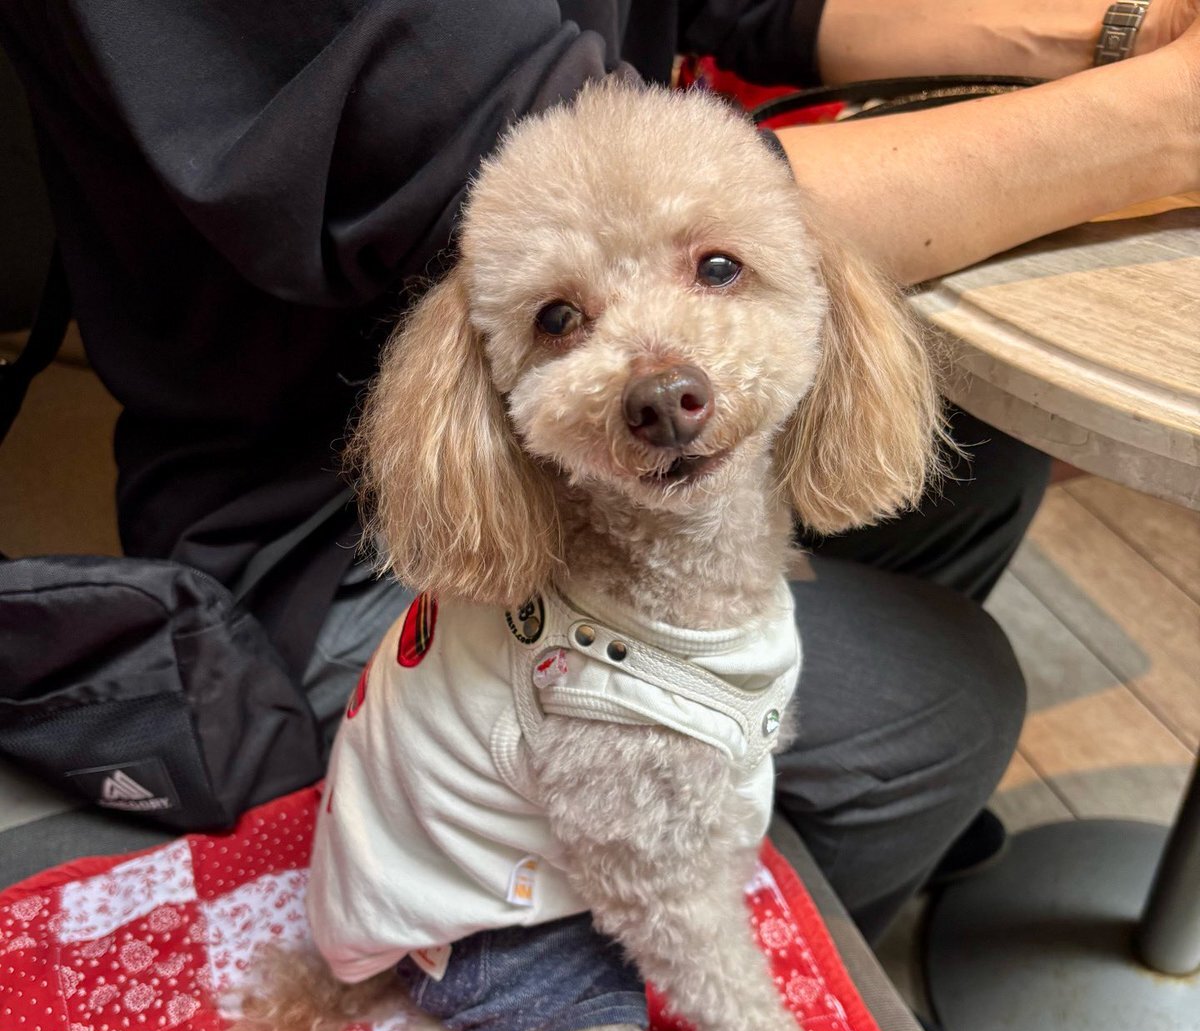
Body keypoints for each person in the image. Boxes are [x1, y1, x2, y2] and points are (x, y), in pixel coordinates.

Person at [1, 0, 1197, 941]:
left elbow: (755, 5)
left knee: (977, 463)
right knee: (944, 705)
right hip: (328, 526)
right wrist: (1149, 122)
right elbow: (491, 175)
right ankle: (747, 946)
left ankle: (777, 816)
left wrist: (1121, 28)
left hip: (573, 459)